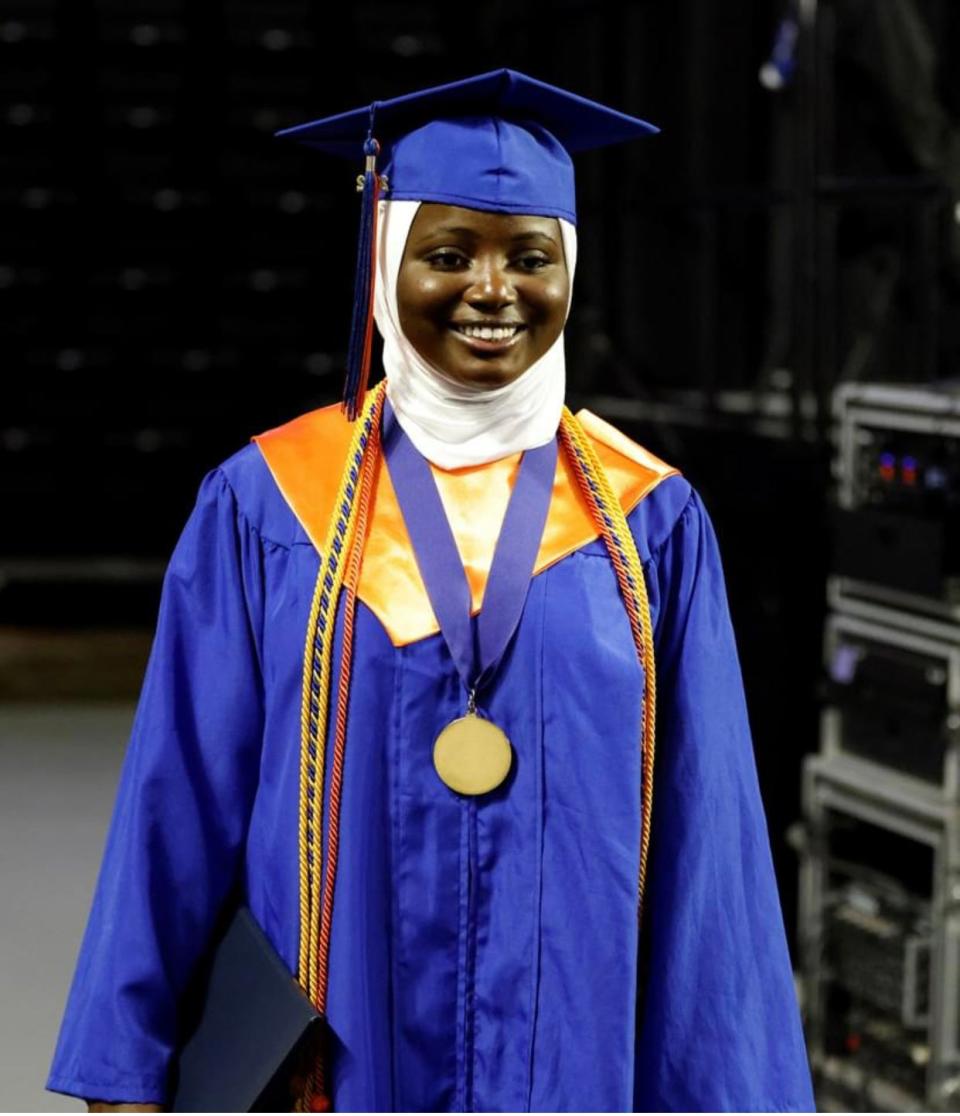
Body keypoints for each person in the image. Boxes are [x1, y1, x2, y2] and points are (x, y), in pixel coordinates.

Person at [47, 69, 816, 1112]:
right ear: (384, 265)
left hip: (575, 1069)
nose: (492, 290)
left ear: (570, 274)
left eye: (529, 258)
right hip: (336, 1061)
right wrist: (125, 1064)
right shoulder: (270, 504)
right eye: (447, 254)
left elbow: (710, 853)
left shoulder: (651, 524)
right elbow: (176, 796)